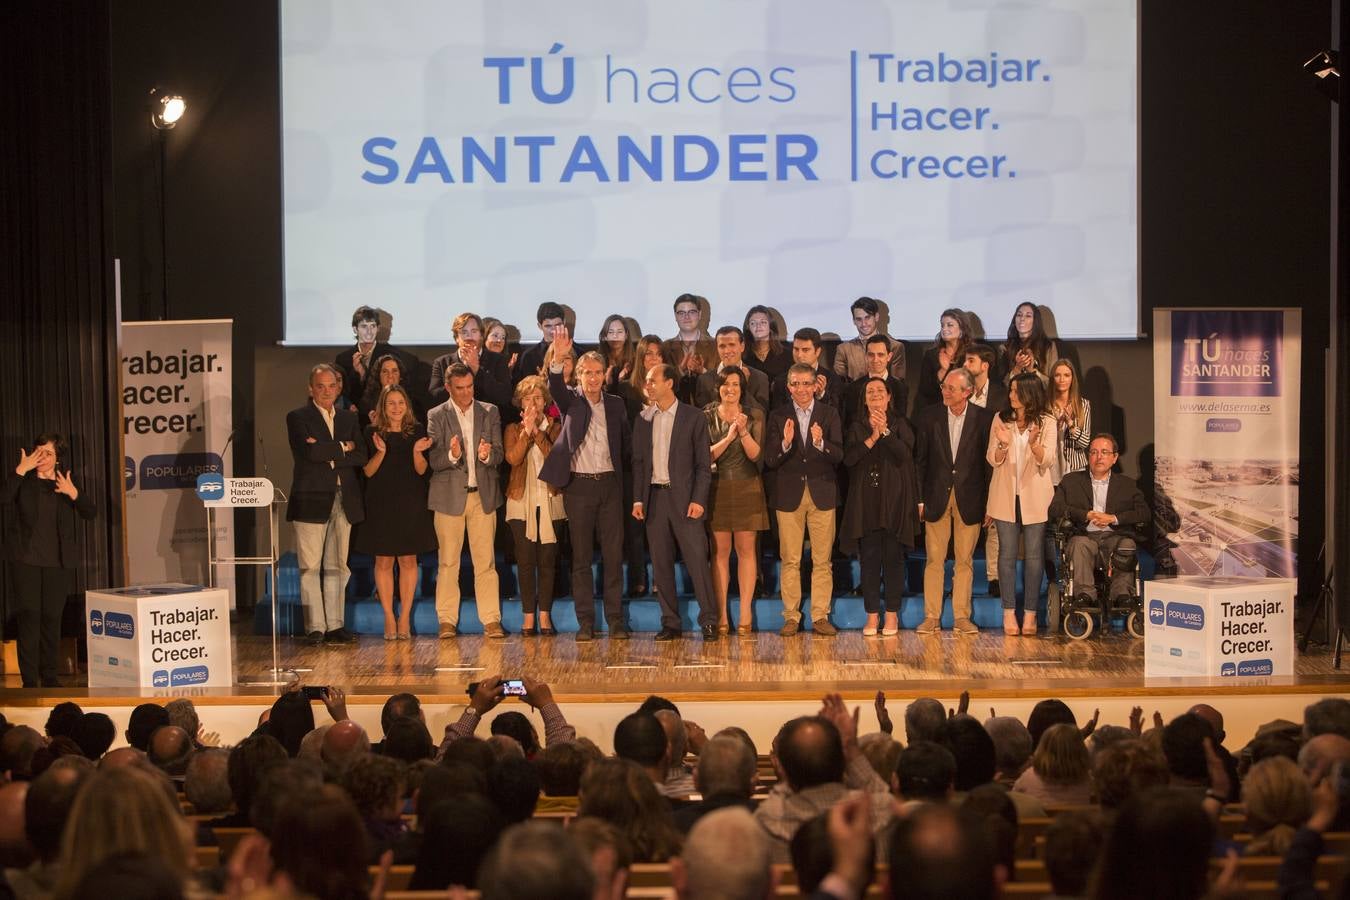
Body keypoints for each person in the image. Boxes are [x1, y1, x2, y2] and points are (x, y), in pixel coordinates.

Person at [540, 327, 632, 641]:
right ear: (578, 375)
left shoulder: (617, 404)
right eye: (587, 373)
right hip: (578, 488)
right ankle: (586, 624)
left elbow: (626, 446)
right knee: (580, 559)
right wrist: (558, 356)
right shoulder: (571, 402)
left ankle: (617, 620)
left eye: (597, 373)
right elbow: (554, 385)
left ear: (605, 374)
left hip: (609, 486)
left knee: (612, 557)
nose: (592, 379)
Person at [3, 433, 95, 687]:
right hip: (26, 562)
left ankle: (50, 676)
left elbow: (91, 512)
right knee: (30, 618)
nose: (42, 458)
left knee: (52, 619)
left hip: (58, 563)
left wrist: (74, 493)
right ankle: (30, 680)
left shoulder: (66, 480)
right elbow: (3, 498)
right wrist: (20, 470)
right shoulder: (23, 480)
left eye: (48, 453)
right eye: (39, 452)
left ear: (57, 459)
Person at [632, 364, 716, 641]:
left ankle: (709, 621)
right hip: (655, 498)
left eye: (653, 380)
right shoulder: (643, 419)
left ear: (669, 383)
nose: (648, 385)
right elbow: (639, 463)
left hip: (686, 500)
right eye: (646, 381)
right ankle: (670, 622)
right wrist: (637, 499)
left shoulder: (693, 417)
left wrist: (698, 500)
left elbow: (704, 466)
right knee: (661, 563)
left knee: (697, 562)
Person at [286, 364, 366, 645]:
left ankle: (335, 625)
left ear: (339, 387)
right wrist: (344, 447)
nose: (326, 391)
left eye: (331, 386)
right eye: (320, 386)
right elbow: (309, 453)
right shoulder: (298, 417)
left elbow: (362, 455)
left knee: (338, 566)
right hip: (311, 499)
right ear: (311, 389)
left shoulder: (348, 418)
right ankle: (315, 627)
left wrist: (327, 449)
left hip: (345, 499)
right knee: (310, 566)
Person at [764, 363, 844, 636]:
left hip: (822, 493)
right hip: (788, 496)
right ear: (788, 387)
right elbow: (770, 459)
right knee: (790, 559)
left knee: (823, 560)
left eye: (806, 383)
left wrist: (821, 443)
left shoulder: (829, 414)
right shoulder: (777, 416)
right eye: (795, 384)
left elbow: (839, 456)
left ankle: (820, 616)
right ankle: (791, 617)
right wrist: (786, 443)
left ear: (815, 386)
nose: (801, 389)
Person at [913, 368, 994, 635]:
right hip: (936, 497)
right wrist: (920, 500)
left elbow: (988, 467)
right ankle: (931, 617)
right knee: (934, 560)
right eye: (944, 387)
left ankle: (961, 617)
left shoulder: (984, 419)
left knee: (965, 561)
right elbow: (920, 462)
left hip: (970, 499)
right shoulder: (928, 416)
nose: (945, 391)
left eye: (951, 388)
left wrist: (988, 505)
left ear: (967, 392)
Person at [427, 363, 505, 638]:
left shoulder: (489, 411)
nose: (465, 393)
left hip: (482, 496)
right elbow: (433, 462)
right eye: (459, 388)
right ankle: (446, 620)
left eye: (469, 387)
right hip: (449, 499)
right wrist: (451, 455)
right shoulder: (436, 415)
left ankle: (491, 620)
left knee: (486, 562)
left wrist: (486, 455)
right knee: (448, 562)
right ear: (448, 388)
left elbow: (499, 455)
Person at [354, 384, 436, 639]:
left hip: (411, 503)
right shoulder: (371, 432)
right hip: (381, 503)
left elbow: (422, 471)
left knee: (409, 560)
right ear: (383, 406)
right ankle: (389, 617)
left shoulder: (417, 431)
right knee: (384, 561)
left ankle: (404, 619)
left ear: (407, 406)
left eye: (401, 402)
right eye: (391, 403)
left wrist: (415, 452)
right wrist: (381, 452)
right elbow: (367, 472)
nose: (397, 408)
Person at [841, 378, 919, 637]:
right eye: (870, 392)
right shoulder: (855, 426)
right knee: (870, 561)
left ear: (888, 397)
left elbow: (905, 455)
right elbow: (850, 459)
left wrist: (885, 432)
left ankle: (892, 615)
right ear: (864, 399)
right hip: (866, 502)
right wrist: (872, 437)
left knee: (894, 560)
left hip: (894, 501)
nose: (875, 395)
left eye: (879, 391)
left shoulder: (901, 424)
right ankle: (872, 615)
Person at [987, 373, 1057, 635]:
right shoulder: (1001, 419)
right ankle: (1008, 613)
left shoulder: (1047, 421)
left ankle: (1030, 614)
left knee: (1034, 557)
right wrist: (1003, 447)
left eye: (1016, 391)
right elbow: (991, 458)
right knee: (1006, 555)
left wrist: (1034, 443)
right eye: (1011, 390)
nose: (1011, 395)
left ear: (1030, 393)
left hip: (1035, 497)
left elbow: (1047, 460)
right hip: (1005, 496)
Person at [1048, 434, 1150, 614]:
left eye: (1104, 452)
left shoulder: (1127, 485)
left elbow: (1144, 513)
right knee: (1079, 544)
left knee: (1127, 545)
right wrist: (1085, 514)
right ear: (1088, 456)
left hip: (1115, 537)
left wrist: (1113, 518)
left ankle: (1122, 595)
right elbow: (1055, 509)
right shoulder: (1071, 481)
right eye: (1094, 452)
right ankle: (1085, 595)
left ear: (1114, 457)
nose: (1099, 457)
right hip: (1085, 537)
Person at [704, 367, 767, 636]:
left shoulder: (754, 415)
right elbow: (704, 457)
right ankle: (720, 616)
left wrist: (742, 433)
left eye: (735, 384)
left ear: (742, 388)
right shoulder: (705, 416)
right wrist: (728, 437)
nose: (730, 389)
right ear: (718, 387)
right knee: (719, 553)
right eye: (725, 384)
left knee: (746, 551)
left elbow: (755, 455)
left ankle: (744, 614)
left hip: (747, 486)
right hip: (717, 488)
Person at [504, 376, 566, 636]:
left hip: (551, 499)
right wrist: (526, 433)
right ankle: (528, 617)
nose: (533, 403)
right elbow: (513, 458)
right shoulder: (512, 429)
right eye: (527, 399)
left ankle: (545, 616)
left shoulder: (557, 427)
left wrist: (538, 432)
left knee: (548, 561)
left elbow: (556, 460)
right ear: (520, 402)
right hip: (520, 500)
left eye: (538, 398)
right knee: (526, 560)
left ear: (545, 401)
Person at [962, 344, 1008, 596]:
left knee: (994, 523)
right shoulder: (961, 391)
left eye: (970, 361)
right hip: (966, 467)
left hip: (994, 464)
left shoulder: (1001, 394)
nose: (966, 365)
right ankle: (963, 575)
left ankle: (994, 577)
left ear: (985, 365)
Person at [429, 312, 513, 414]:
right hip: (452, 421)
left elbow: (504, 397)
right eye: (464, 332)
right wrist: (458, 378)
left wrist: (477, 370)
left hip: (487, 422)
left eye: (474, 331)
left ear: (481, 336)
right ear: (456, 338)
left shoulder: (498, 360)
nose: (469, 337)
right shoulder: (442, 362)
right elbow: (434, 398)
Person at [335, 305, 406, 410]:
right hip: (354, 415)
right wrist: (358, 375)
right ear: (355, 329)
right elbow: (341, 392)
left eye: (373, 326)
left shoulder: (391, 355)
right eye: (364, 326)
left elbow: (400, 387)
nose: (369, 331)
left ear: (377, 329)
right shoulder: (343, 358)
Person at [1012, 723, 1093, 806]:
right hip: (1078, 819)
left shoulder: (1027, 778)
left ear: (1043, 748)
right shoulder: (1088, 781)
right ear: (1080, 751)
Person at [833, 296, 907, 385]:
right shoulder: (844, 349)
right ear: (854, 321)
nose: (864, 324)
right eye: (859, 319)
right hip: (853, 397)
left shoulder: (895, 347)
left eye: (867, 317)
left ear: (876, 317)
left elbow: (898, 384)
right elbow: (839, 385)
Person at [694, 326, 771, 412]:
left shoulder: (760, 378)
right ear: (717, 349)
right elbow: (701, 417)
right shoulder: (704, 380)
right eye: (722, 346)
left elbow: (762, 415)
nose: (727, 351)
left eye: (732, 345)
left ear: (742, 346)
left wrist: (743, 388)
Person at [843, 334, 909, 429]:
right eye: (871, 355)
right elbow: (850, 421)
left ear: (889, 356)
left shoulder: (900, 388)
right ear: (866, 356)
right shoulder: (853, 388)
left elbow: (900, 421)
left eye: (880, 355)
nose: (875, 360)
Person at [915, 309, 974, 411]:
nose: (944, 329)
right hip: (937, 408)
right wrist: (943, 370)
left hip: (965, 407)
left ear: (962, 329)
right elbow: (925, 390)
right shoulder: (931, 355)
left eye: (950, 325)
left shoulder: (971, 355)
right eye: (942, 325)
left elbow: (973, 385)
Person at [770, 328, 843, 409]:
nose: (799, 355)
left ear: (817, 351)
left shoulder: (832, 379)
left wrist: (821, 396)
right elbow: (777, 415)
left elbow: (836, 414)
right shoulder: (781, 381)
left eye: (805, 350)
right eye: (796, 349)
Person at [663, 294, 717, 401]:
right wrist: (680, 370)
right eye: (681, 313)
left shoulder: (715, 346)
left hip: (709, 407)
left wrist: (703, 371)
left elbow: (722, 381)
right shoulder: (665, 347)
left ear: (700, 314)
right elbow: (662, 383)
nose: (686, 317)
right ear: (675, 316)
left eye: (691, 312)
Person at [1048, 358, 1092, 480]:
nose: (1062, 380)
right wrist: (1056, 424)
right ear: (1053, 379)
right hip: (1050, 467)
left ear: (1072, 379)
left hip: (1074, 467)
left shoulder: (1083, 405)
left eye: (1066, 375)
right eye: (1057, 375)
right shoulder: (1045, 405)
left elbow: (1085, 442)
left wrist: (1071, 425)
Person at [998, 301, 1058, 386]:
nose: (1022, 319)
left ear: (1035, 321)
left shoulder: (1048, 347)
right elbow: (1001, 386)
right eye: (1019, 315)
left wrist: (1032, 371)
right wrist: (1017, 369)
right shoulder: (1005, 348)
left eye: (1028, 316)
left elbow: (1053, 384)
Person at [357, 352, 421, 427]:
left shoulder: (413, 403)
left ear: (401, 376)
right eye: (385, 372)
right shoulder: (366, 404)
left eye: (394, 371)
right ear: (378, 376)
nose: (390, 376)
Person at [513, 301, 567, 384]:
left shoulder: (578, 352)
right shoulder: (529, 356)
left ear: (564, 322)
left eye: (557, 325)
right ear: (539, 326)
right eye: (548, 326)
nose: (553, 331)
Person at [742, 305, 791, 382]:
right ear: (748, 328)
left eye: (763, 322)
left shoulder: (787, 355)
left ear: (771, 325)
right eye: (753, 323)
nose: (758, 326)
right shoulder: (742, 356)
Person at [598, 314, 638, 397]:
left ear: (626, 335)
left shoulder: (636, 361)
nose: (615, 336)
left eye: (619, 332)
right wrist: (607, 385)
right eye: (611, 332)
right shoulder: (598, 361)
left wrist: (623, 383)